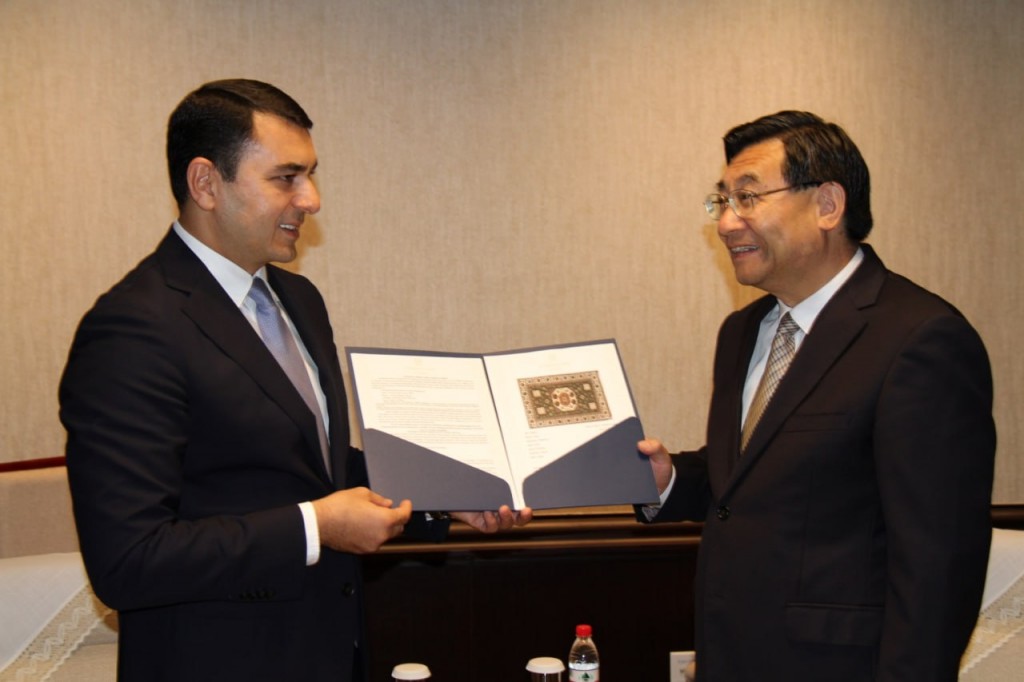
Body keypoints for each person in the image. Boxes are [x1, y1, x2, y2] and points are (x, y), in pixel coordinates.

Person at [59, 78, 531, 682]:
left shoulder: (298, 299)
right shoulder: (132, 328)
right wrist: (316, 526)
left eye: (310, 175)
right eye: (286, 178)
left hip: (329, 651)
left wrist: (443, 493)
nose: (311, 199)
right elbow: (129, 560)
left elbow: (316, 468)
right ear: (205, 183)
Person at [637, 111, 995, 681]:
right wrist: (670, 480)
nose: (726, 223)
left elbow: (938, 566)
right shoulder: (743, 332)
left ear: (828, 204)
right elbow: (756, 480)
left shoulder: (920, 339)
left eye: (748, 197)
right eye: (721, 201)